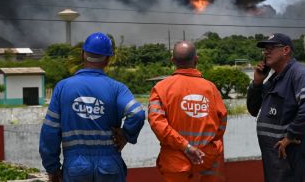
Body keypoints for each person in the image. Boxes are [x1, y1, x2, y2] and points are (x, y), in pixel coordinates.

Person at [39, 32, 145, 182]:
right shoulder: (117, 88)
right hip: (110, 166)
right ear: (108, 59)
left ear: (82, 54)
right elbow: (137, 114)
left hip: (75, 167)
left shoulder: (63, 87)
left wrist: (52, 169)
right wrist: (125, 135)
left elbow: (49, 132)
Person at [247, 33, 305, 182]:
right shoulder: (274, 79)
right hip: (274, 160)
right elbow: (253, 109)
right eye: (264, 49)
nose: (266, 52)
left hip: (289, 158)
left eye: (271, 48)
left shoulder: (298, 73)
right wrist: (257, 83)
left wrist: (291, 135)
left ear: (286, 50)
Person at [148, 41, 227, 182]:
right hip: (206, 160)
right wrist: (205, 147)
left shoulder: (160, 88)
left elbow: (157, 124)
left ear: (173, 61)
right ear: (196, 59)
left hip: (175, 164)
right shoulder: (211, 89)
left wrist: (186, 147)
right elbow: (221, 124)